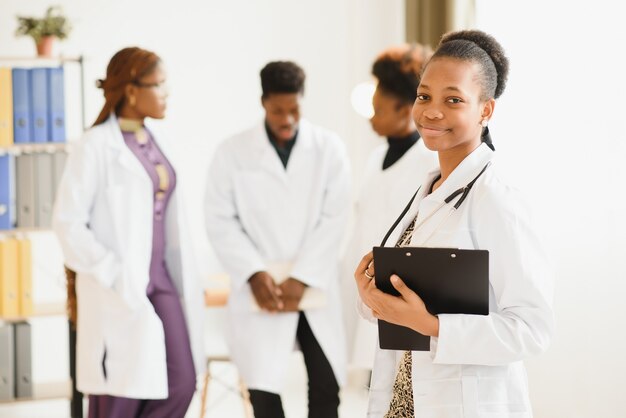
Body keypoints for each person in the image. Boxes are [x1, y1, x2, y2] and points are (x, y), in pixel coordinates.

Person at [354, 30, 555, 417]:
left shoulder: (497, 198)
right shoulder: (428, 190)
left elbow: (533, 329)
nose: (431, 111)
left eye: (453, 100)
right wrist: (372, 296)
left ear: (486, 110)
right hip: (404, 401)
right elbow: (408, 304)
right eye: (424, 96)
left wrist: (434, 325)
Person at [53, 47, 204, 418]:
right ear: (132, 91)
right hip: (117, 284)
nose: (167, 93)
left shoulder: (159, 141)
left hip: (162, 278)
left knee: (182, 382)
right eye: (159, 85)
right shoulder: (94, 147)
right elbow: (67, 223)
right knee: (120, 395)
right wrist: (111, 271)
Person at [204, 60, 351, 418]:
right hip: (261, 288)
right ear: (263, 102)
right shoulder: (231, 152)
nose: (286, 119)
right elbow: (220, 220)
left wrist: (302, 277)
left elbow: (337, 217)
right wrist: (253, 273)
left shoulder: (328, 148)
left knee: (326, 384)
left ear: (303, 100)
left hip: (312, 284)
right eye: (277, 110)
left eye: (294, 109)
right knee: (264, 393)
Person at [343, 43, 438, 376]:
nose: (371, 117)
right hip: (371, 287)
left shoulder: (429, 162)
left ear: (403, 109)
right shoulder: (373, 159)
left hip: (406, 292)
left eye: (378, 109)